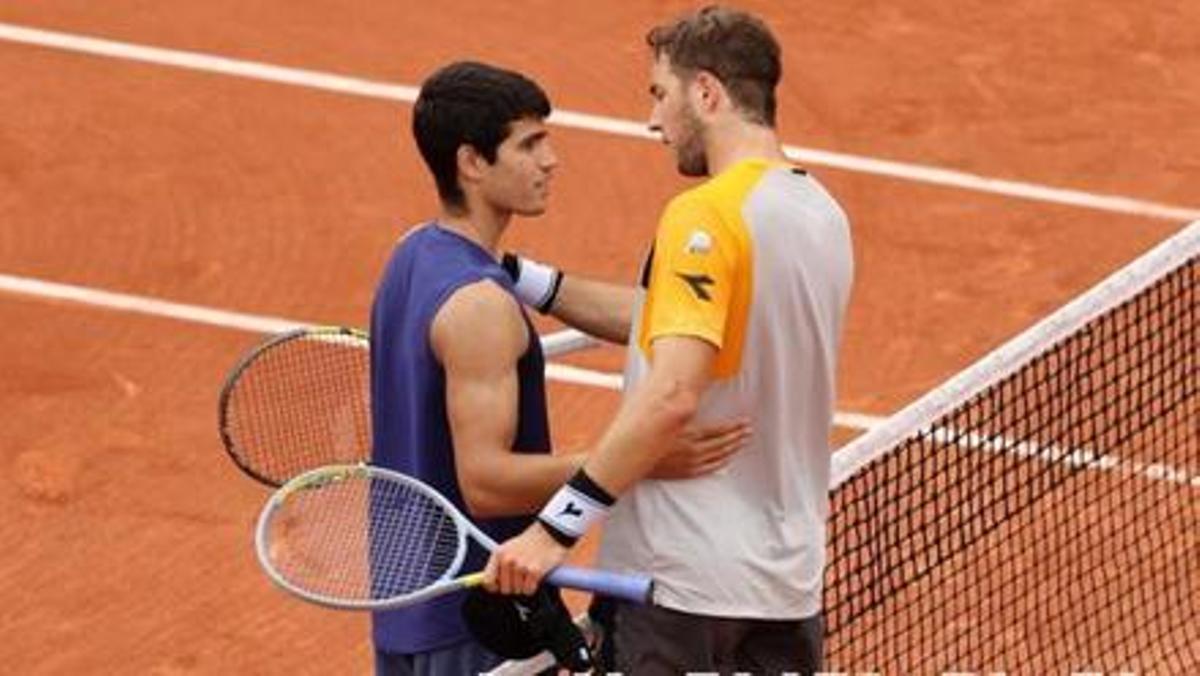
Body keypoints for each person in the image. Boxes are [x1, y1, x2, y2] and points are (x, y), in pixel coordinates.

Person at [486, 6, 854, 675]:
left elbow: (672, 393)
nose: (654, 122)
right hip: (785, 591)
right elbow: (673, 319)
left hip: (679, 587)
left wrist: (553, 528)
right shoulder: (821, 214)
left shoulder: (704, 217)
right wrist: (523, 278)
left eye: (661, 95)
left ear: (707, 93)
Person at [369, 60, 749, 676]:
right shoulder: (482, 308)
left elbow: (653, 319)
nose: (551, 160)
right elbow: (487, 481)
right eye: (530, 143)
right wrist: (639, 458)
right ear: (472, 162)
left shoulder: (415, 255)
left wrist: (530, 279)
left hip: (412, 606)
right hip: (478, 615)